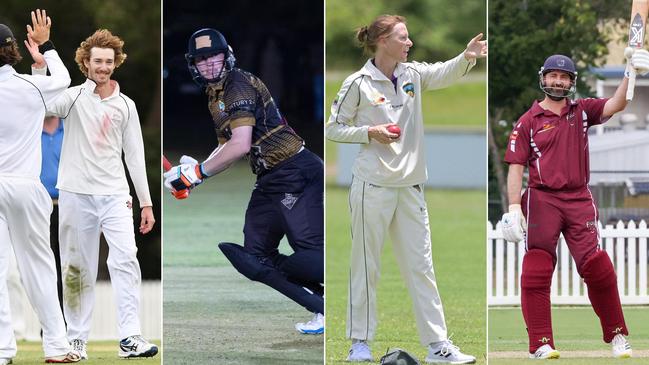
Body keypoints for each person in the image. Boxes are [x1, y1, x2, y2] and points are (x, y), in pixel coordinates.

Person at [326, 14, 486, 364]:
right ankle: (360, 344)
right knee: (366, 266)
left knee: (421, 267)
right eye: (403, 37)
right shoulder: (358, 83)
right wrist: (370, 133)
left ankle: (438, 346)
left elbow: (443, 72)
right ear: (383, 40)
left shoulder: (411, 74)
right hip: (372, 186)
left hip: (410, 187)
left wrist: (467, 57)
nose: (409, 42)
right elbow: (333, 128)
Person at [163, 28, 324, 334]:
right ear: (193, 65)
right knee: (254, 257)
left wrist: (197, 173)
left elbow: (240, 145)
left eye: (214, 57)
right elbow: (226, 142)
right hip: (270, 178)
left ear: (227, 56)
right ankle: (320, 305)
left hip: (295, 171)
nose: (209, 65)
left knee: (310, 255)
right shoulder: (216, 94)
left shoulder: (237, 85)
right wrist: (194, 175)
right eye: (201, 60)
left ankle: (347, 295)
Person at [500, 50, 649, 359]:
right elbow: (515, 166)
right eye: (553, 75)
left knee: (598, 267)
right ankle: (541, 343)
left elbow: (617, 103)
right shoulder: (528, 121)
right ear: (543, 78)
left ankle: (618, 336)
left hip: (579, 197)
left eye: (564, 77)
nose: (558, 80)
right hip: (542, 199)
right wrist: (514, 207)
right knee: (537, 268)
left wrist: (629, 71)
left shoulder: (581, 111)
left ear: (571, 83)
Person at [34, 29, 158, 359]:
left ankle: (130, 336)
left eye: (108, 61)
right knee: (76, 268)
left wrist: (146, 201)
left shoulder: (126, 106)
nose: (102, 67)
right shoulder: (73, 97)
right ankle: (76, 339)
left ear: (116, 63)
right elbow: (42, 103)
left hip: (115, 195)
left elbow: (133, 154)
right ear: (85, 63)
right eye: (96, 62)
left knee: (126, 259)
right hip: (75, 195)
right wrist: (41, 63)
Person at [0, 10, 80, 364]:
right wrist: (45, 48)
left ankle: (2, 351)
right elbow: (60, 80)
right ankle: (57, 348)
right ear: (12, 50)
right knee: (39, 268)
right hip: (24, 186)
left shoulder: (30, 87)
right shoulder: (30, 85)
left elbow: (41, 99)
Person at [41, 115, 65, 311]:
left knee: (68, 267)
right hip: (38, 208)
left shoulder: (71, 130)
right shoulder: (29, 130)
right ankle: (50, 325)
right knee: (45, 267)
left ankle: (71, 325)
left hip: (67, 205)